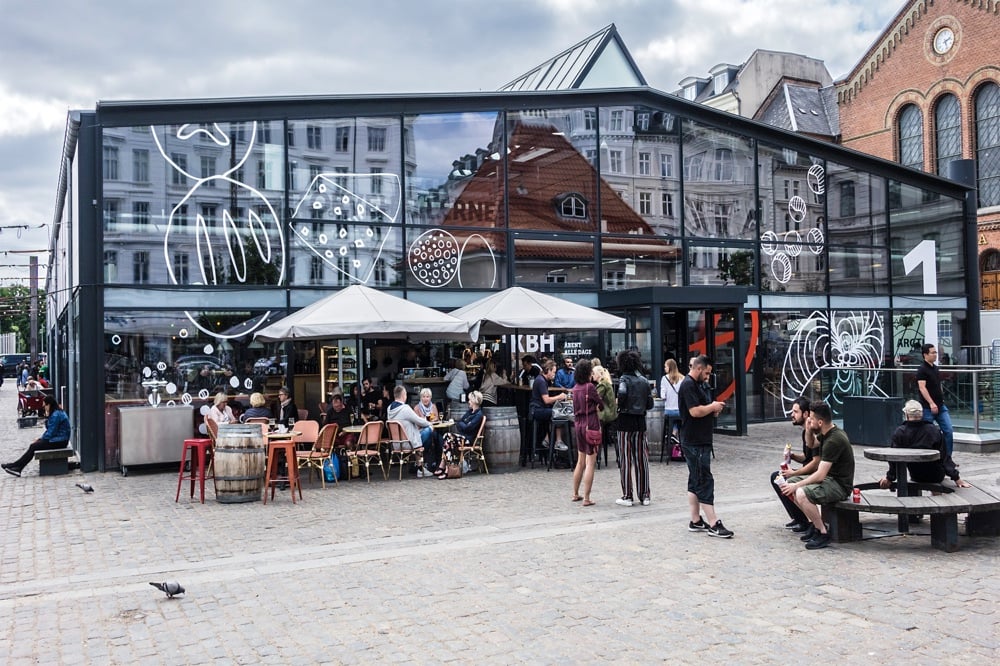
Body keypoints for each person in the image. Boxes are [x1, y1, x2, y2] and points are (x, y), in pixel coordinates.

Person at [780, 401, 855, 550]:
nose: (809, 420)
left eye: (812, 419)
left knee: (800, 492)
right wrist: (808, 429)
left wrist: (797, 485)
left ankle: (822, 532)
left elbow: (820, 475)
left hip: (839, 485)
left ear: (820, 422)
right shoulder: (826, 433)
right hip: (830, 479)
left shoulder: (834, 440)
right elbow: (811, 444)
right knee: (789, 482)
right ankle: (815, 525)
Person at [677, 354, 733, 538]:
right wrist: (712, 407)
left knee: (695, 479)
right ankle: (713, 522)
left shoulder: (699, 385)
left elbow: (703, 409)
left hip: (699, 438)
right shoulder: (688, 385)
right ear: (699, 368)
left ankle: (695, 519)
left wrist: (713, 409)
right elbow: (695, 411)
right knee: (704, 480)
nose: (708, 377)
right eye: (707, 373)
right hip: (694, 440)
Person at [879, 400, 970, 491]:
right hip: (936, 475)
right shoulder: (933, 430)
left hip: (916, 475)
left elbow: (894, 459)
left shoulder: (900, 432)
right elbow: (945, 457)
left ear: (906, 415)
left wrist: (890, 478)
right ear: (921, 414)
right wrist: (957, 478)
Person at [770, 397, 821, 532]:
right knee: (777, 477)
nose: (792, 415)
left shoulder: (813, 432)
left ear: (805, 414)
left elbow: (816, 463)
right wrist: (792, 456)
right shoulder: (805, 432)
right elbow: (807, 457)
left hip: (814, 474)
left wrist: (794, 472)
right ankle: (799, 518)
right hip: (808, 471)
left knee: (785, 480)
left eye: (795, 412)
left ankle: (804, 520)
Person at [614, 350, 652, 507]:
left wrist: (619, 405)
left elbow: (622, 395)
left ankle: (627, 495)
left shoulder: (623, 379)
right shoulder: (644, 381)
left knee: (625, 459)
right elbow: (650, 404)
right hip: (640, 421)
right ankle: (645, 495)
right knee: (642, 459)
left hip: (624, 421)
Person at [4, 395, 72, 477]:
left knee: (33, 446)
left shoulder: (56, 415)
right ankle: (16, 466)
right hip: (59, 439)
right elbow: (50, 430)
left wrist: (41, 439)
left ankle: (16, 466)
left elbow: (50, 432)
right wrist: (40, 439)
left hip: (60, 441)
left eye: (44, 406)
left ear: (49, 405)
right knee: (34, 446)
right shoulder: (57, 413)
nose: (44, 408)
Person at [571, 359, 601, 506]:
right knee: (590, 462)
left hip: (578, 425)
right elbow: (600, 404)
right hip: (591, 425)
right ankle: (587, 498)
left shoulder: (575, 388)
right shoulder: (590, 387)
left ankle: (575, 493)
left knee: (580, 461)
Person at [915, 343, 954, 456]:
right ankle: (929, 457)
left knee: (948, 430)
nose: (935, 355)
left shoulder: (935, 368)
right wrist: (931, 403)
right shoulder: (922, 370)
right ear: (925, 355)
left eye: (935, 352)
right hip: (927, 407)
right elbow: (922, 388)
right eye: (933, 353)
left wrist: (940, 397)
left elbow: (938, 384)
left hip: (940, 405)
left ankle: (948, 458)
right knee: (928, 433)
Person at [386, 385, 434, 477]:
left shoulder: (389, 409)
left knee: (417, 435)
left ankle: (419, 465)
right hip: (408, 443)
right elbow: (418, 421)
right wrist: (430, 424)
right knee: (428, 430)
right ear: (404, 395)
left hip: (396, 443)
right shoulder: (405, 409)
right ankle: (421, 466)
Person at [435, 391, 484, 479]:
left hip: (469, 439)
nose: (468, 402)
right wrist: (464, 424)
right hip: (462, 437)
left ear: (474, 401)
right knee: (448, 439)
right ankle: (446, 468)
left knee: (447, 437)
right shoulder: (470, 412)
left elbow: (467, 428)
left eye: (469, 400)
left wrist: (463, 424)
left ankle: (445, 467)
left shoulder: (478, 415)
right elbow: (460, 423)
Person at [529, 359, 571, 456]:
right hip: (537, 410)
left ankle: (547, 439)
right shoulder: (541, 381)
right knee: (559, 414)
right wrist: (559, 397)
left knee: (556, 412)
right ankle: (558, 441)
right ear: (547, 370)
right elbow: (546, 400)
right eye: (553, 372)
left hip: (538, 409)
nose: (554, 375)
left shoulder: (542, 380)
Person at [414, 388, 443, 473]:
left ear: (430, 398)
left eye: (428, 397)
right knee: (429, 433)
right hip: (421, 432)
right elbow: (417, 423)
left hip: (433, 430)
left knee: (440, 438)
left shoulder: (433, 406)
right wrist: (426, 421)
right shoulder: (417, 408)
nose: (426, 399)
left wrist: (433, 420)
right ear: (421, 398)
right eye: (424, 397)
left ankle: (440, 461)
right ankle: (430, 461)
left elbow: (437, 419)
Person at [660, 358, 684, 445]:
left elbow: (663, 396)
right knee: (678, 420)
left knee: (670, 419)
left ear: (670, 367)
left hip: (668, 411)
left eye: (665, 366)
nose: (664, 368)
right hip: (680, 411)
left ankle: (669, 434)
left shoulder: (664, 378)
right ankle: (674, 433)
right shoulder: (682, 378)